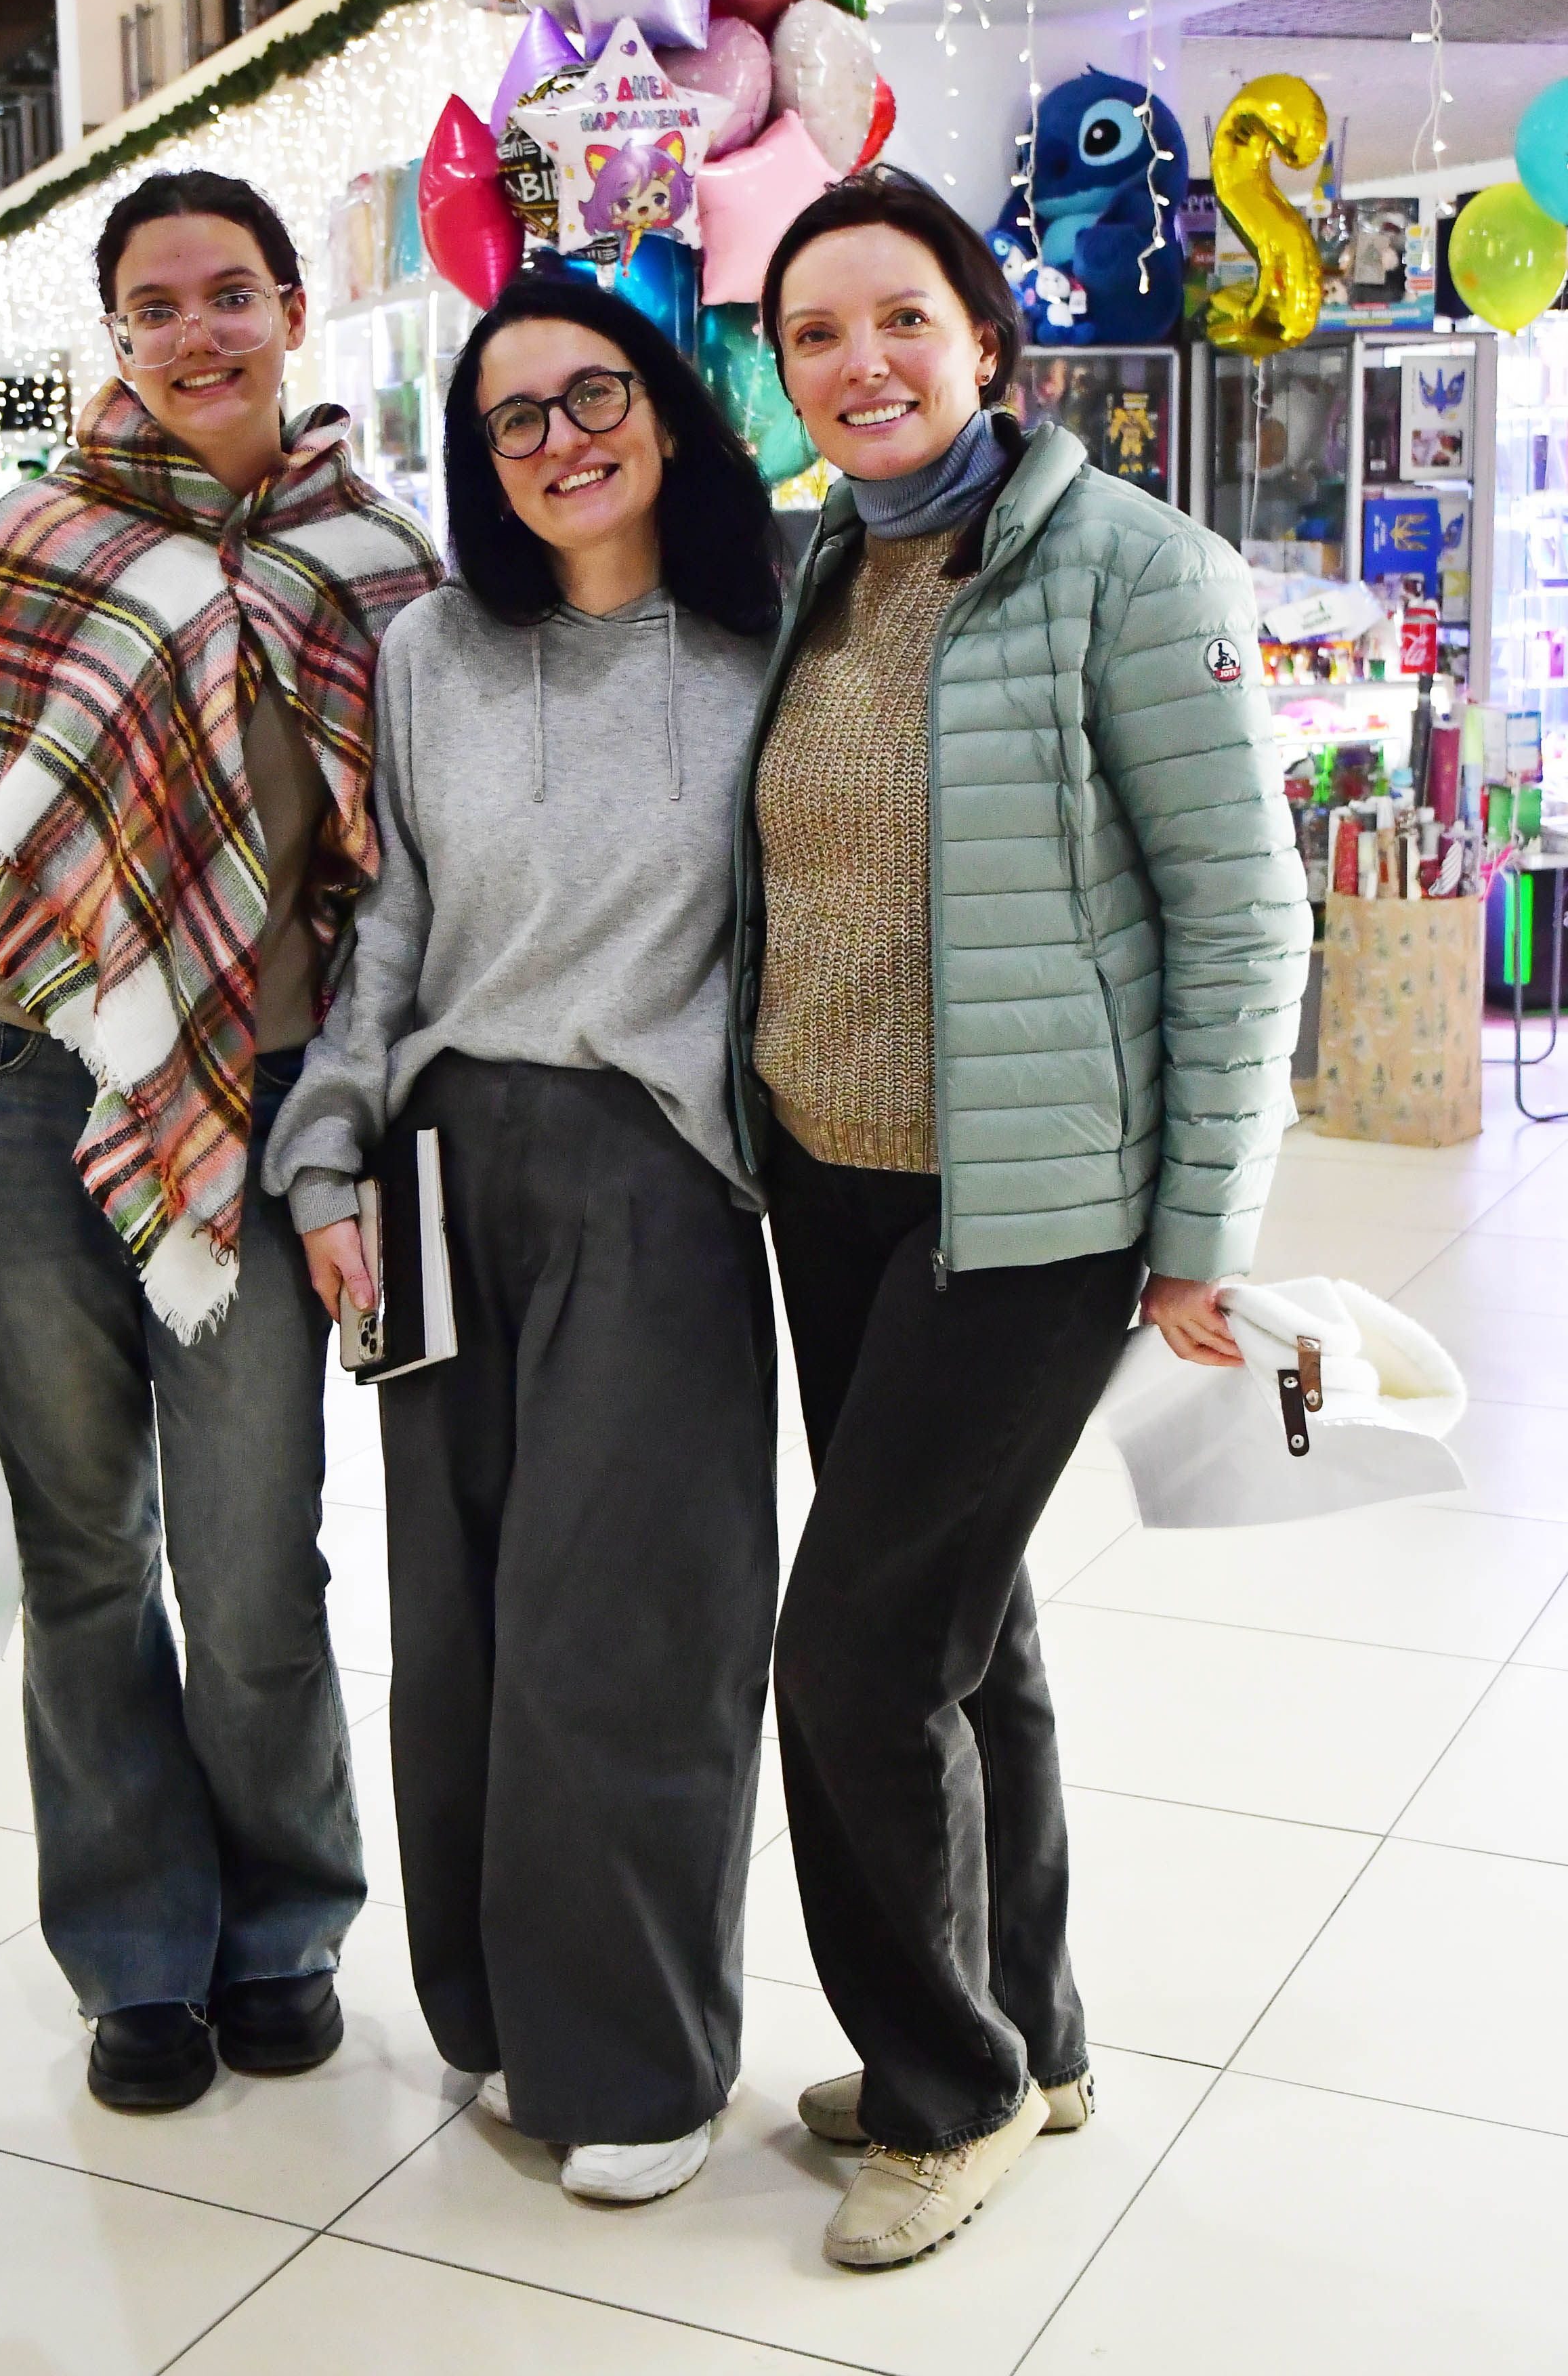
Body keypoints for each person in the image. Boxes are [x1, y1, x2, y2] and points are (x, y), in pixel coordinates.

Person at [733, 167, 1309, 2272]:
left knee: (853, 1651)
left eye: (902, 317)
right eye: (815, 333)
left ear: (986, 336)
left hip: (1034, 1211)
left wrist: (1199, 1228)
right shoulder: (821, 572)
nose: (861, 363)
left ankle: (941, 2089)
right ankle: (1029, 2036)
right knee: (967, 1637)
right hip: (831, 1184)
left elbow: (1244, 913)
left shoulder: (1137, 569)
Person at [0, 169, 439, 2113]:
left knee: (256, 1563)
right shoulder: (23, 548)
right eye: (154, 305)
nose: (196, 333)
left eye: (229, 292)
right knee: (84, 1553)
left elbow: (416, 882)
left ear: (293, 312)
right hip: (7, 1096)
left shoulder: (377, 567)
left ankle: (286, 1924)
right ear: (116, 337)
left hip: (256, 1103)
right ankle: (137, 1954)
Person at [267, 274, 784, 2207]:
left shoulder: (766, 633)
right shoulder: (434, 652)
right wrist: (330, 1153)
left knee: (629, 1628)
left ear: (662, 403)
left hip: (658, 1164)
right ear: (479, 459)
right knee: (461, 1627)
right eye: (515, 417)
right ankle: (492, 2005)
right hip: (441, 1169)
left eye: (594, 394)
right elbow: (392, 927)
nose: (562, 440)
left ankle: (639, 2060)